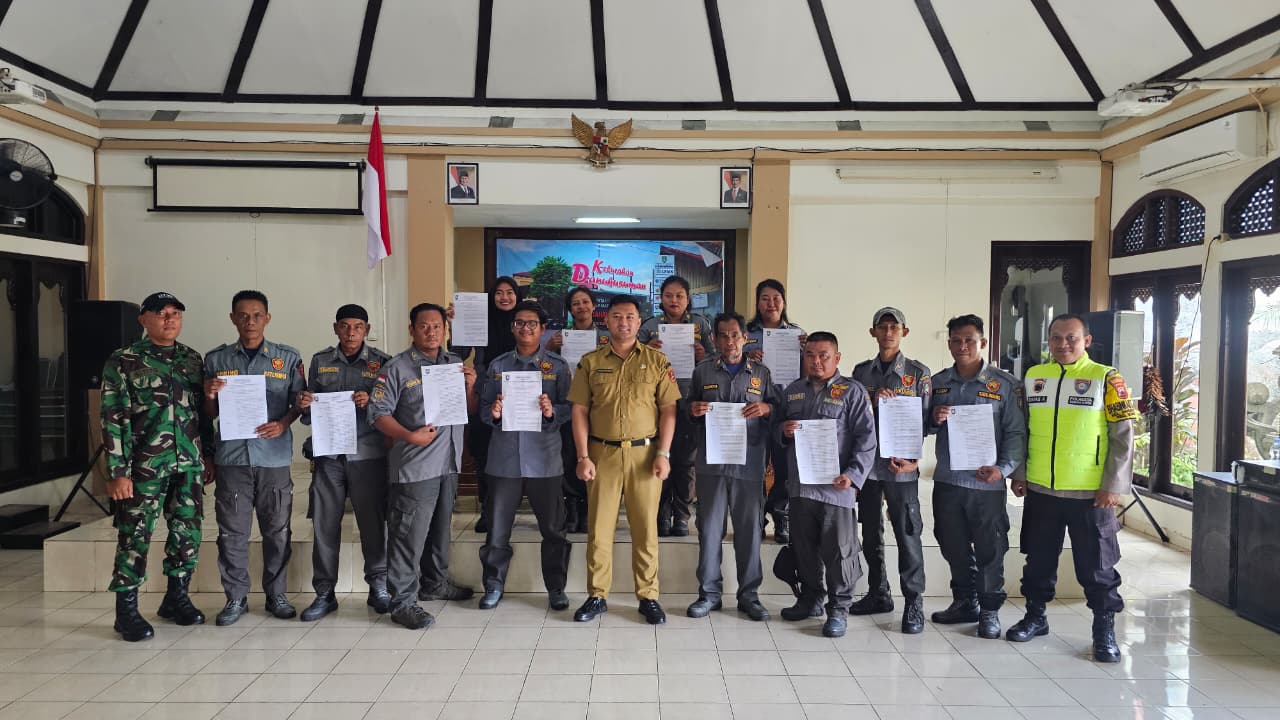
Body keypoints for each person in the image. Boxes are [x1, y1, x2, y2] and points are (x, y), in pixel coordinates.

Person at [1007, 313, 1136, 663]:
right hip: (1042, 490)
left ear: (1086, 341)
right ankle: (1035, 616)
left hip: (1090, 494)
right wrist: (1020, 474)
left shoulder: (1106, 378)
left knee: (1097, 566)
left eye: (1071, 338)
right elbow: (1022, 430)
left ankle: (1104, 630)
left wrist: (1113, 484)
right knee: (1038, 560)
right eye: (1056, 338)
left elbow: (1123, 436)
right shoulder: (1035, 376)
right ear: (1048, 340)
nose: (1063, 344)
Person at [101, 292, 211, 642]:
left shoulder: (192, 359)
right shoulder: (124, 360)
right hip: (143, 467)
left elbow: (201, 415)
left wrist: (207, 455)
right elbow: (112, 418)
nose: (169, 319)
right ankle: (126, 611)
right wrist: (118, 472)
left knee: (187, 532)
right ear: (143, 320)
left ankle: (176, 598)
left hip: (188, 464)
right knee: (134, 536)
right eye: (161, 313)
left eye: (175, 313)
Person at [569, 294, 681, 625]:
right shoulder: (590, 362)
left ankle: (648, 596)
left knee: (645, 528)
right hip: (601, 453)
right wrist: (583, 456)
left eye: (630, 317)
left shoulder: (657, 361)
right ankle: (597, 595)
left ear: (639, 321)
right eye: (617, 316)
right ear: (607, 320)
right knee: (599, 529)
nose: (624, 322)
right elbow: (579, 411)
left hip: (645, 455)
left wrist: (663, 453)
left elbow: (669, 410)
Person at [369, 303, 479, 629]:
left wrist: (469, 387)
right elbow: (377, 414)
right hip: (415, 466)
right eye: (424, 326)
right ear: (412, 329)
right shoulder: (397, 368)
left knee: (440, 529)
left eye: (437, 326)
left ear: (445, 329)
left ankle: (435, 583)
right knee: (408, 535)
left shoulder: (454, 364)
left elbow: (467, 410)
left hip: (448, 463)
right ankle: (403, 602)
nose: (431, 332)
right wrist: (409, 435)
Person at [203, 290, 306, 626]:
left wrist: (283, 423)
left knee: (277, 531)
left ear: (267, 318)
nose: (250, 321)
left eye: (257, 315)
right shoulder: (216, 360)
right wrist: (209, 396)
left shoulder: (287, 358)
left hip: (273, 459)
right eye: (243, 316)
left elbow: (298, 404)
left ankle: (277, 594)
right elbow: (207, 414)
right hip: (232, 459)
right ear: (233, 318)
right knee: (232, 532)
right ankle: (235, 597)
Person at [927, 315, 1026, 640]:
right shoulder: (938, 383)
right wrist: (934, 419)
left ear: (982, 342)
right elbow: (922, 425)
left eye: (969, 340)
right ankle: (964, 601)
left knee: (990, 548)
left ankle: (989, 610)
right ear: (949, 344)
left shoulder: (1005, 384)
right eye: (956, 340)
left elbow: (1015, 432)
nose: (963, 346)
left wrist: (1004, 469)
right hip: (948, 480)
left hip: (986, 484)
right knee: (951, 543)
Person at [295, 304, 394, 621]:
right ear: (336, 328)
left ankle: (378, 586)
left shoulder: (382, 362)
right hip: (329, 457)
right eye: (345, 326)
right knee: (324, 525)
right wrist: (305, 403)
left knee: (372, 525)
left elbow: (391, 409)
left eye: (358, 327)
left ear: (367, 329)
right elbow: (309, 412)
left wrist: (371, 402)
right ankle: (325, 592)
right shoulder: (321, 361)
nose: (351, 333)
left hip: (367, 456)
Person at [776, 332, 876, 638]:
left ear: (837, 358)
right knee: (804, 549)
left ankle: (839, 609)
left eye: (823, 355)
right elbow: (776, 433)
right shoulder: (793, 391)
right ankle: (811, 599)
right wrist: (784, 431)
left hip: (836, 488)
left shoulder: (852, 392)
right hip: (801, 487)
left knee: (839, 552)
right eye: (810, 355)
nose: (816, 361)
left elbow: (867, 439)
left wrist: (854, 475)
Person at [477, 301, 573, 610]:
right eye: (519, 323)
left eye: (532, 323)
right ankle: (493, 585)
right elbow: (483, 409)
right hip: (504, 460)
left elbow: (570, 408)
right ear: (512, 327)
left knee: (554, 530)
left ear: (543, 329)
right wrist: (493, 412)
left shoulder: (558, 367)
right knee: (497, 530)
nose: (525, 328)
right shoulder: (498, 366)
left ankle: (556, 587)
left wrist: (551, 411)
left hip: (544, 460)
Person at [685, 311, 778, 621]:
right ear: (714, 339)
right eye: (723, 335)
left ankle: (749, 595)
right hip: (711, 464)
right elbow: (687, 408)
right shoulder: (702, 372)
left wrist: (766, 408)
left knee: (749, 532)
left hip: (748, 464)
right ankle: (709, 594)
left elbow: (777, 410)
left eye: (735, 335)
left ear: (745, 338)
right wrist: (693, 409)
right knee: (709, 530)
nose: (729, 341)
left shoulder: (761, 373)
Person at [849, 307, 932, 633]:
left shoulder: (918, 374)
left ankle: (914, 601)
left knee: (907, 533)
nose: (888, 332)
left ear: (904, 332)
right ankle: (878, 592)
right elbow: (853, 418)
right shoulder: (861, 373)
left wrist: (915, 460)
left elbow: (925, 421)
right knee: (870, 533)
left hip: (901, 468)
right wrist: (872, 405)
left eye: (894, 327)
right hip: (869, 467)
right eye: (882, 327)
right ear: (872, 332)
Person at [638, 275, 716, 536]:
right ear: (660, 299)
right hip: (656, 402)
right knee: (659, 456)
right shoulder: (650, 326)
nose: (674, 300)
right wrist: (646, 350)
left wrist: (703, 355)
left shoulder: (701, 325)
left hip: (689, 399)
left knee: (686, 461)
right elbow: (631, 358)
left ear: (688, 299)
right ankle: (661, 514)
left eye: (679, 295)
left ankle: (681, 515)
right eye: (669, 295)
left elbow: (716, 359)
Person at [452, 277, 521, 535]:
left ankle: (508, 510)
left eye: (510, 292)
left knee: (514, 453)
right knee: (483, 453)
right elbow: (459, 354)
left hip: (518, 393)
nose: (504, 297)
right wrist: (456, 327)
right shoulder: (479, 320)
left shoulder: (524, 321)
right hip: (485, 392)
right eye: (499, 293)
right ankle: (487, 509)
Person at [744, 278, 806, 544]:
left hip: (787, 408)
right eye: (765, 298)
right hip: (753, 409)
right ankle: (756, 519)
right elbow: (731, 363)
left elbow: (809, 374)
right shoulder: (744, 334)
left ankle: (782, 516)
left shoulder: (797, 334)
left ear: (784, 303)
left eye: (776, 298)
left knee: (785, 467)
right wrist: (747, 357)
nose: (771, 304)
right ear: (757, 303)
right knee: (755, 467)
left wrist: (806, 350)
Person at [545, 286, 609, 534]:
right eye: (575, 303)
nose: (581, 307)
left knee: (595, 454)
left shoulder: (606, 337)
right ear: (570, 309)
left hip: (599, 404)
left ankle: (588, 506)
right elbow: (545, 366)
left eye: (585, 302)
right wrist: (550, 347)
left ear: (593, 306)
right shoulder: (561, 337)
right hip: (568, 404)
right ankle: (571, 505)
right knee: (569, 454)